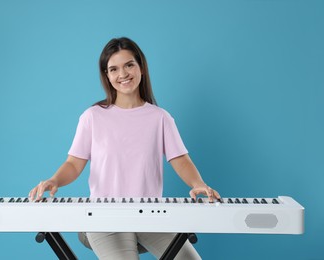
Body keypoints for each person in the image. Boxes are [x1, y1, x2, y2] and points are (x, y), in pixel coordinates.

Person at [29, 37, 221, 259]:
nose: (123, 74)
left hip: (151, 216)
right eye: (114, 69)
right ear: (107, 76)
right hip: (104, 217)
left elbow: (181, 160)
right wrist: (54, 180)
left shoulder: (161, 118)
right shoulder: (92, 117)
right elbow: (74, 163)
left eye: (129, 64)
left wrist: (199, 184)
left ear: (141, 67)